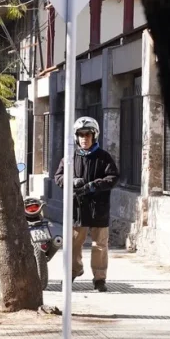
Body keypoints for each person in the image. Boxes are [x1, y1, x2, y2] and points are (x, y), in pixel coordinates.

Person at [54, 116, 119, 292]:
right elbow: (58, 177)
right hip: (77, 209)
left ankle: (99, 279)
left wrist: (94, 185)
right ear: (76, 137)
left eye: (88, 135)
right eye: (81, 135)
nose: (84, 138)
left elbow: (113, 177)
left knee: (100, 245)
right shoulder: (70, 157)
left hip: (99, 208)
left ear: (94, 136)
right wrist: (71, 181)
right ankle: (73, 272)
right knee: (74, 243)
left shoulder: (104, 157)